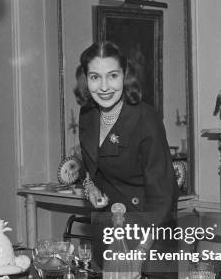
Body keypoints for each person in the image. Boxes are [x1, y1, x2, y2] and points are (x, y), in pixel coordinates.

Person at [74, 40, 177, 250]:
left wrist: (139, 252)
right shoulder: (88, 114)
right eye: (95, 77)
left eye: (113, 76)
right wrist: (90, 187)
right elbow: (90, 166)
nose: (104, 87)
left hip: (149, 234)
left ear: (125, 76)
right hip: (108, 228)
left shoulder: (146, 119)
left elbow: (163, 195)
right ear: (86, 79)